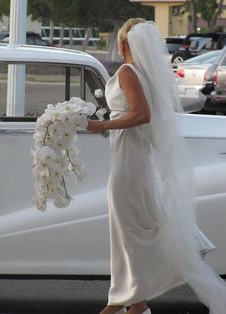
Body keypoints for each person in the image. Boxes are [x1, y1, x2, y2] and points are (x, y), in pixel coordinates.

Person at [87, 18, 226, 314]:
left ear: (124, 44)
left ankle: (128, 301)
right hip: (136, 161)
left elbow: (142, 114)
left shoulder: (127, 71)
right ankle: (135, 301)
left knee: (128, 235)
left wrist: (104, 124)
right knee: (132, 235)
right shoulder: (146, 75)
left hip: (129, 165)